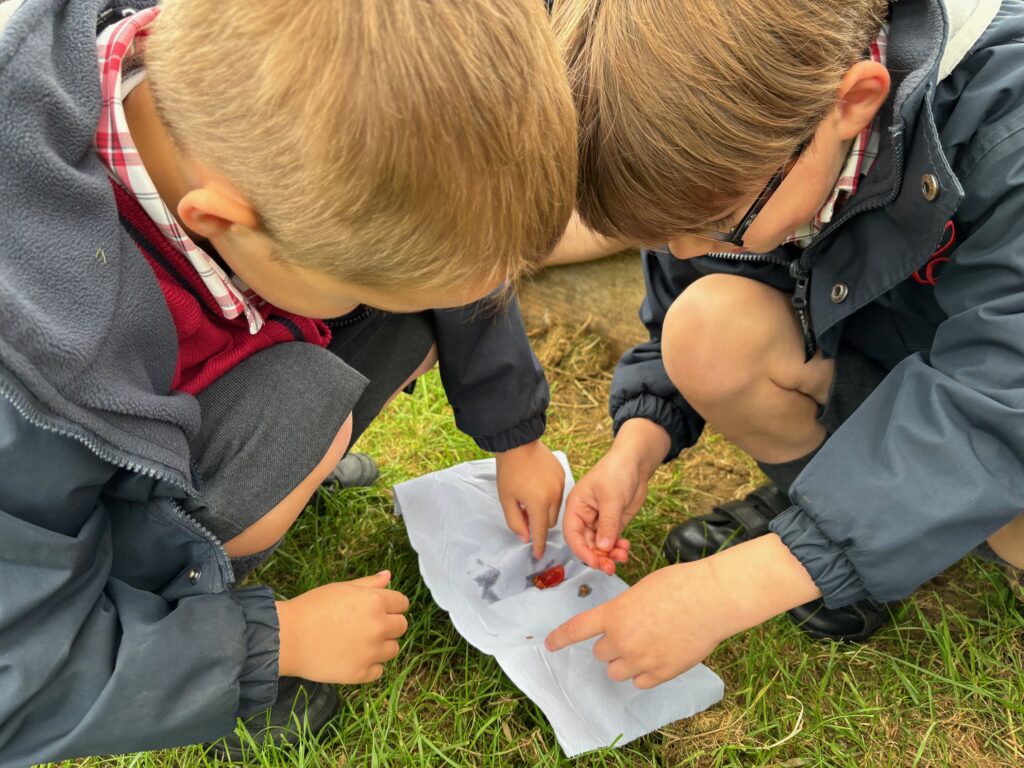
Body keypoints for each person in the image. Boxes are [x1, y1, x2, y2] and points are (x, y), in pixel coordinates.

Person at [0, 0, 575, 763]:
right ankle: (186, 602)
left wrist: (517, 435)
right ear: (223, 223)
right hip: (63, 511)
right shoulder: (42, 361)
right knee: (309, 404)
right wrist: (273, 642)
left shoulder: (210, 73)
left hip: (167, 368)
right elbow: (20, 679)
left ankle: (262, 470)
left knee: (401, 320)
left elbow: (451, 222)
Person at [544, 0, 1024, 688]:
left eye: (713, 220)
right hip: (900, 364)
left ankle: (836, 538)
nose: (686, 250)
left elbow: (1001, 404)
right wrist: (640, 442)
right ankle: (841, 523)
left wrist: (738, 586)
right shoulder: (777, 127)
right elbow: (697, 278)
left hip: (1002, 412)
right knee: (708, 330)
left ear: (856, 102)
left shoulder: (1008, 130)